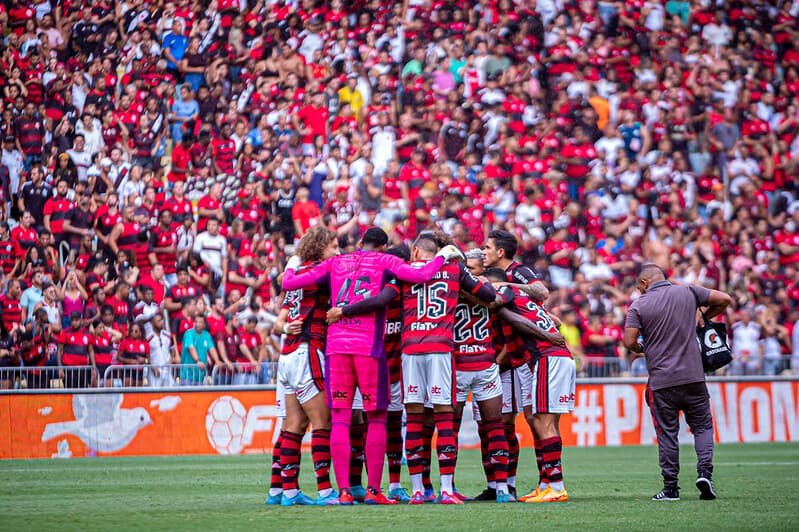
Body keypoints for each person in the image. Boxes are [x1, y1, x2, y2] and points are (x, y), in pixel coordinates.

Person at [281, 227, 462, 505]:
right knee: (376, 418)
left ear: (360, 242)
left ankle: (343, 492)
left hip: (336, 348)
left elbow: (289, 285)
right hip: (368, 348)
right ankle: (375, 491)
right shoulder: (385, 261)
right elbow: (421, 275)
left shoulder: (335, 262)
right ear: (383, 246)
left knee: (340, 418)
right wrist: (443, 256)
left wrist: (292, 264)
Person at [400, 233, 496, 505]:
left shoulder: (403, 271)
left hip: (410, 350)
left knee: (415, 420)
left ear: (416, 251)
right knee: (444, 418)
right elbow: (488, 295)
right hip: (440, 348)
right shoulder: (453, 270)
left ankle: (417, 490)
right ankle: (445, 489)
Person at [623, 264, 732, 501]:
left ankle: (671, 488)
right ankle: (705, 474)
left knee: (667, 434)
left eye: (640, 288)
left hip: (662, 381)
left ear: (643, 283)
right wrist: (700, 318)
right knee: (702, 427)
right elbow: (724, 298)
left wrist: (643, 348)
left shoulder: (639, 305)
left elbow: (629, 340)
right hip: (694, 376)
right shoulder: (688, 292)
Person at [271, 226, 339, 506]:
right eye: (333, 246)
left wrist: (286, 326)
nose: (337, 251)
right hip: (307, 352)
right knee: (323, 423)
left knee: (294, 426)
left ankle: (287, 493)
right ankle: (325, 491)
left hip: (286, 356)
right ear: (320, 247)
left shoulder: (298, 275)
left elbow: (281, 318)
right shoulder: (321, 274)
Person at [180, 315, 219, 385]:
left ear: (204, 324)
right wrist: (198, 360)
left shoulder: (206, 335)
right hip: (187, 375)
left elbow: (212, 348)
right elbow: (191, 347)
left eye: (200, 322)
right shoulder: (189, 333)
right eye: (196, 322)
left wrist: (217, 360)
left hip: (200, 376)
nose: (198, 324)